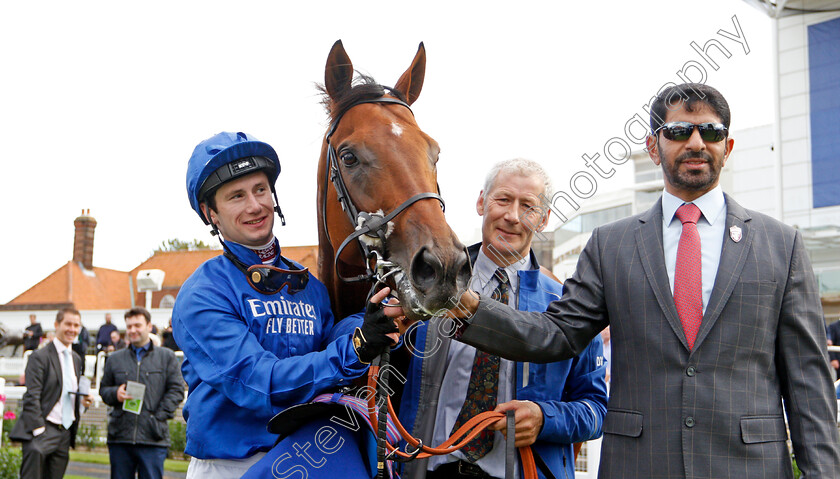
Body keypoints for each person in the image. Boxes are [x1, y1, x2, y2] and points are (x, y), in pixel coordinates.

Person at [442, 83, 840, 477]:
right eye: (680, 131)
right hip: (640, 465)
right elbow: (557, 333)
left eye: (711, 132)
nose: (697, 142)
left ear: (727, 147)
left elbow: (808, 380)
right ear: (653, 147)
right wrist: (468, 306)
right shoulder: (611, 245)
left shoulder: (780, 244)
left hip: (749, 467)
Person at [172, 131, 397, 478]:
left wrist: (375, 318)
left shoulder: (311, 288)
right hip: (230, 467)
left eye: (261, 189)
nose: (255, 205)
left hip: (309, 457)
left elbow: (329, 346)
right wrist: (355, 347)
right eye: (236, 196)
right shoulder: (202, 294)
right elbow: (260, 382)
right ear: (210, 213)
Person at [398, 159, 607, 479]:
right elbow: (363, 336)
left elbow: (596, 409)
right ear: (481, 202)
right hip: (431, 470)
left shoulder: (570, 307)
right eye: (503, 199)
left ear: (544, 219)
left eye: (528, 206)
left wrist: (545, 419)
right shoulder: (427, 281)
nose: (512, 216)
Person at [100, 307, 185, 479]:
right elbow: (103, 390)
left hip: (153, 439)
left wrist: (157, 417)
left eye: (137, 325)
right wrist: (115, 393)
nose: (132, 330)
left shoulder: (166, 357)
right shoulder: (115, 359)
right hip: (120, 438)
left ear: (149, 326)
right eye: (129, 326)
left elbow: (176, 391)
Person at [9, 308, 95, 479]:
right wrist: (39, 430)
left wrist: (83, 403)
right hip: (43, 429)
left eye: (76, 325)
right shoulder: (39, 357)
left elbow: (65, 392)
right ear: (56, 325)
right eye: (68, 324)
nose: (72, 329)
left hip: (65, 433)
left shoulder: (76, 359)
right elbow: (31, 396)